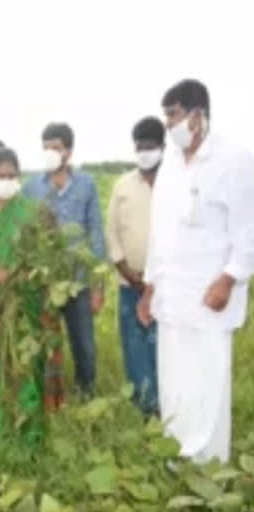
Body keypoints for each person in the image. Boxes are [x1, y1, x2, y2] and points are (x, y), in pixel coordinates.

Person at [138, 79, 254, 463]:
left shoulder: (234, 159)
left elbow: (247, 228)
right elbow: (160, 230)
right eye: (166, 115)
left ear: (197, 115)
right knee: (175, 380)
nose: (168, 125)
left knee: (208, 381)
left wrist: (229, 277)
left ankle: (209, 464)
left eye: (173, 115)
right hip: (172, 294)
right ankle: (178, 458)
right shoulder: (171, 161)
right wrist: (149, 286)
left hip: (210, 295)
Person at [0, 149, 64, 452]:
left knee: (23, 353)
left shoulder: (33, 211)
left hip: (24, 295)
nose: (6, 181)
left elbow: (50, 251)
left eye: (11, 176)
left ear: (19, 178)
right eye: (0, 176)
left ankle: (25, 412)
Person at [22, 123, 105, 395]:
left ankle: (86, 393)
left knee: (84, 346)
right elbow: (25, 233)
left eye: (55, 148)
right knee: (45, 343)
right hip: (44, 282)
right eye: (46, 148)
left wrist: (97, 286)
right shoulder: (31, 187)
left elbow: (95, 235)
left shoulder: (86, 185)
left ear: (68, 152)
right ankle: (48, 398)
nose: (50, 153)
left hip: (78, 282)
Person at [106, 117, 164, 417]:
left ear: (162, 148)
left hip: (167, 286)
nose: (144, 152)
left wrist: (155, 279)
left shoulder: (175, 185)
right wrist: (129, 273)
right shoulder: (123, 186)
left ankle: (170, 407)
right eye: (139, 147)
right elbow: (112, 234)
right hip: (130, 284)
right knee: (135, 346)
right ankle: (144, 408)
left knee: (165, 348)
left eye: (150, 146)